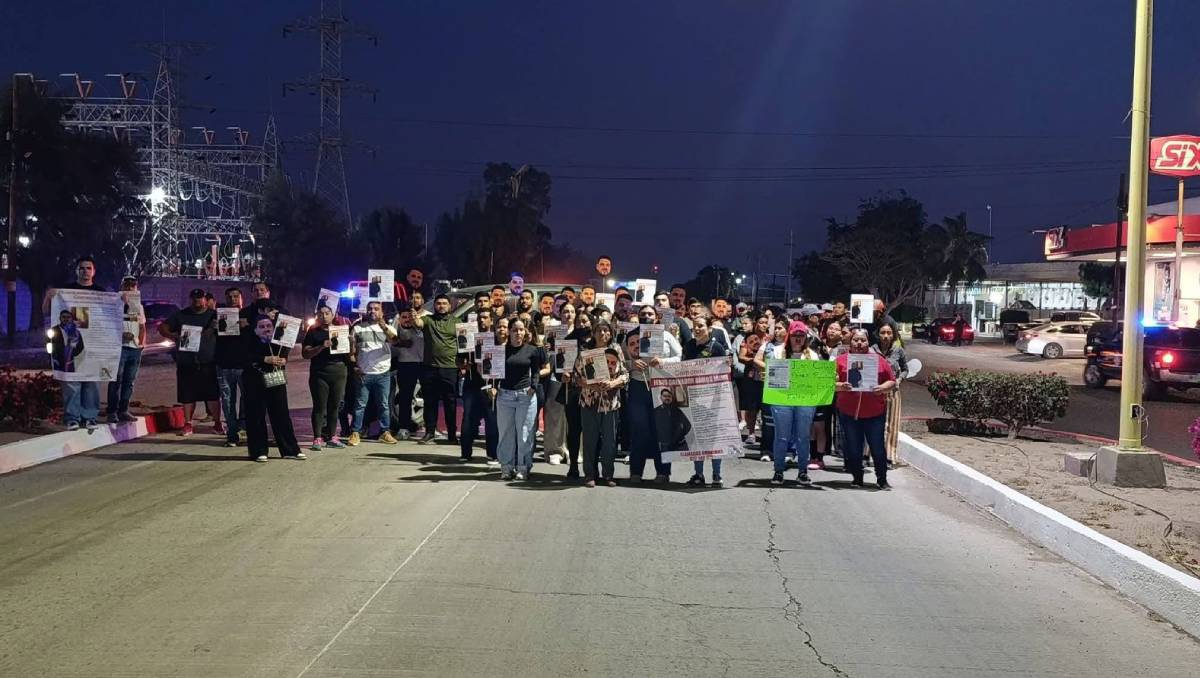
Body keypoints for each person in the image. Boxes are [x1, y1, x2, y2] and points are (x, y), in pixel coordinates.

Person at [45, 256, 107, 430]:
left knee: (92, 383)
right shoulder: (66, 292)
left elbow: (113, 316)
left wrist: (122, 300)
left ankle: (90, 418)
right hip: (69, 348)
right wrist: (48, 297)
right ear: (76, 271)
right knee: (71, 382)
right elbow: (46, 311)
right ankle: (72, 418)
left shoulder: (101, 292)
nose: (85, 271)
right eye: (82, 268)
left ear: (94, 272)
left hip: (93, 345)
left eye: (88, 268)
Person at [626, 303, 682, 484]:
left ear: (657, 317)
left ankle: (663, 472)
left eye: (650, 314)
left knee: (662, 430)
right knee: (639, 430)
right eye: (643, 314)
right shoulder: (630, 335)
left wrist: (663, 361)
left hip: (661, 386)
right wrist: (632, 364)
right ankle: (636, 472)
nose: (646, 317)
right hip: (638, 386)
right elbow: (620, 360)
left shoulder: (667, 335)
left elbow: (680, 357)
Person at [836, 328, 897, 489]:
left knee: (877, 447)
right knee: (854, 447)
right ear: (850, 342)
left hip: (874, 413)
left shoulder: (879, 360)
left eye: (862, 340)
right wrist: (840, 386)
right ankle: (857, 478)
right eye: (855, 340)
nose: (859, 343)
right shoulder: (840, 360)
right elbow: (829, 383)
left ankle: (882, 479)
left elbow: (891, 380)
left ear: (868, 342)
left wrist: (882, 388)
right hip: (849, 412)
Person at [243, 315, 305, 462]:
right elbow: (243, 357)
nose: (266, 329)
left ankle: (290, 450)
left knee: (281, 414)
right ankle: (258, 451)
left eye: (269, 326)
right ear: (255, 330)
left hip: (276, 379)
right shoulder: (248, 341)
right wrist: (264, 359)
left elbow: (285, 353)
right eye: (262, 327)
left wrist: (284, 359)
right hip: (254, 382)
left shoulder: (279, 340)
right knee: (256, 416)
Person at [160, 288, 221, 437]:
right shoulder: (181, 315)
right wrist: (174, 336)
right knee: (187, 395)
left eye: (200, 298)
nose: (197, 300)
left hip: (208, 362)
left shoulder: (214, 315)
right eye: (194, 298)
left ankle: (217, 423)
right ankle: (188, 424)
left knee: (213, 395)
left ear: (205, 299)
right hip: (186, 362)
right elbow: (162, 327)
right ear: (190, 299)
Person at [574, 321, 627, 487]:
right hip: (589, 401)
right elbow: (576, 377)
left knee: (610, 441)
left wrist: (613, 383)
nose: (602, 333)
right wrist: (592, 385)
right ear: (594, 333)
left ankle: (608, 474)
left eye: (606, 330)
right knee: (590, 440)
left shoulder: (616, 350)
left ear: (610, 333)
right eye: (599, 330)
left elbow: (625, 374)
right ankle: (590, 474)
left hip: (610, 403)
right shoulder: (585, 351)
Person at [495, 318, 548, 481]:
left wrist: (534, 386)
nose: (518, 333)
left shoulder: (532, 350)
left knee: (525, 433)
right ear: (508, 332)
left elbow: (536, 371)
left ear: (525, 332)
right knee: (506, 433)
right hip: (505, 395)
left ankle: (523, 467)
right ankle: (506, 467)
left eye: (521, 330)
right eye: (514, 330)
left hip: (526, 395)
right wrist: (493, 386)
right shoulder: (500, 350)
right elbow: (494, 372)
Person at [770, 323, 821, 485]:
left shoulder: (813, 355)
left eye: (801, 335)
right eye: (794, 335)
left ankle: (802, 471)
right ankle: (778, 471)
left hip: (804, 400)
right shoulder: (777, 352)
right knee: (781, 436)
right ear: (789, 336)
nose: (798, 338)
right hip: (782, 399)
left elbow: (817, 379)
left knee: (803, 436)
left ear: (806, 337)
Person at [348, 301, 400, 446]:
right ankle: (355, 432)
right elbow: (351, 351)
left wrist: (384, 327)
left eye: (376, 309)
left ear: (382, 312)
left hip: (383, 373)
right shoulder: (357, 328)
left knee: (384, 405)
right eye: (370, 309)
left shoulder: (388, 328)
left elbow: (395, 341)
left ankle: (385, 432)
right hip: (364, 373)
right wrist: (354, 366)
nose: (373, 311)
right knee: (360, 405)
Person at [302, 305, 350, 451]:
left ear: (333, 314)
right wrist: (321, 346)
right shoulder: (313, 332)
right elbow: (305, 353)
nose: (324, 316)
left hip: (339, 372)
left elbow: (350, 354)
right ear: (317, 316)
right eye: (321, 314)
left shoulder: (340, 330)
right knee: (319, 406)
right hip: (320, 373)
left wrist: (352, 342)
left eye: (327, 313)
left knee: (335, 406)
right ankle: (317, 437)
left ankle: (332, 437)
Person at [414, 294, 459, 444]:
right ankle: (429, 432)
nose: (441, 306)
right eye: (438, 303)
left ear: (450, 306)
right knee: (430, 402)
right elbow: (419, 324)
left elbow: (464, 342)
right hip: (430, 368)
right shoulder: (428, 319)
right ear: (434, 306)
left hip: (450, 368)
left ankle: (452, 434)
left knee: (450, 402)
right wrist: (414, 317)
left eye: (444, 303)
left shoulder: (457, 322)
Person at [105, 276, 145, 424]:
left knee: (129, 381)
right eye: (126, 285)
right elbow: (107, 325)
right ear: (121, 286)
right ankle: (112, 411)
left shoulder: (139, 306)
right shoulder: (113, 305)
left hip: (134, 348)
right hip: (119, 347)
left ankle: (123, 410)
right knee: (116, 380)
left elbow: (142, 325)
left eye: (132, 285)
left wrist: (141, 344)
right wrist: (120, 335)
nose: (129, 288)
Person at [459, 310, 498, 461]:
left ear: (491, 320)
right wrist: (463, 365)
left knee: (492, 420)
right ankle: (465, 453)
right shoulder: (469, 338)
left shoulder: (497, 339)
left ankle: (492, 454)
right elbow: (459, 360)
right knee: (468, 419)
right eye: (480, 318)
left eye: (485, 318)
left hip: (490, 385)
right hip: (472, 384)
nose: (482, 320)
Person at [213, 286, 246, 446]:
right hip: (224, 365)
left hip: (243, 365)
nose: (233, 299)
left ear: (241, 299)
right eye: (229, 297)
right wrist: (213, 327)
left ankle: (243, 427)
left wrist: (247, 326)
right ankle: (232, 434)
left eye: (235, 296)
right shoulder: (218, 315)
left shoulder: (248, 315)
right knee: (227, 402)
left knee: (247, 399)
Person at [753, 319, 789, 462]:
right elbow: (757, 360)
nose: (777, 331)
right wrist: (771, 368)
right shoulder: (767, 345)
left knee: (784, 420)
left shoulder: (790, 346)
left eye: (780, 328)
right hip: (770, 385)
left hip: (786, 388)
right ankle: (766, 450)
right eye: (776, 328)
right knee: (768, 419)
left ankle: (784, 451)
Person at [872, 323, 908, 463]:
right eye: (883, 332)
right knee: (873, 423)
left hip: (893, 392)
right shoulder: (872, 350)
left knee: (892, 424)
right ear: (878, 334)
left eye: (889, 333)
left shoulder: (898, 350)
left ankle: (889, 455)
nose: (886, 336)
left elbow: (905, 369)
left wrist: (899, 379)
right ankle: (869, 454)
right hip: (875, 391)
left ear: (893, 335)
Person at [391, 304, 425, 440]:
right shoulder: (397, 326)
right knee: (405, 398)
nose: (407, 319)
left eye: (410, 317)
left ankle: (430, 428)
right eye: (404, 317)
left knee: (429, 397)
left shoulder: (422, 325)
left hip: (423, 364)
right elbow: (391, 340)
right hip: (405, 364)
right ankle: (403, 428)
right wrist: (401, 342)